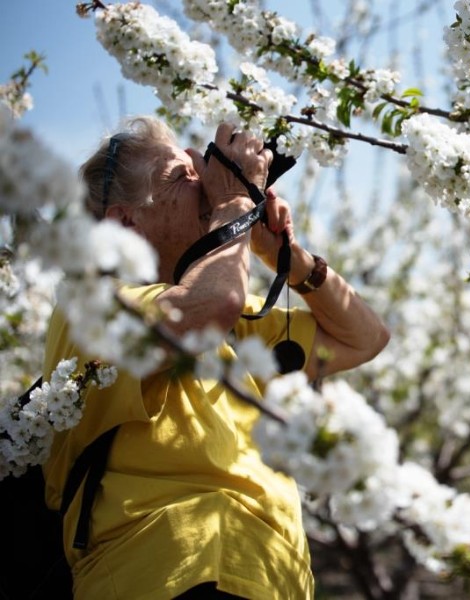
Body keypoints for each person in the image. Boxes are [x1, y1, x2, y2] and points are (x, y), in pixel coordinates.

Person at [42, 116, 390, 599]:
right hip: (171, 572)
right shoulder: (93, 303)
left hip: (272, 578)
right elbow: (206, 309)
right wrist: (232, 203)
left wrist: (289, 256)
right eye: (181, 177)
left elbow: (364, 338)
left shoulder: (233, 322)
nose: (203, 182)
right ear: (124, 222)